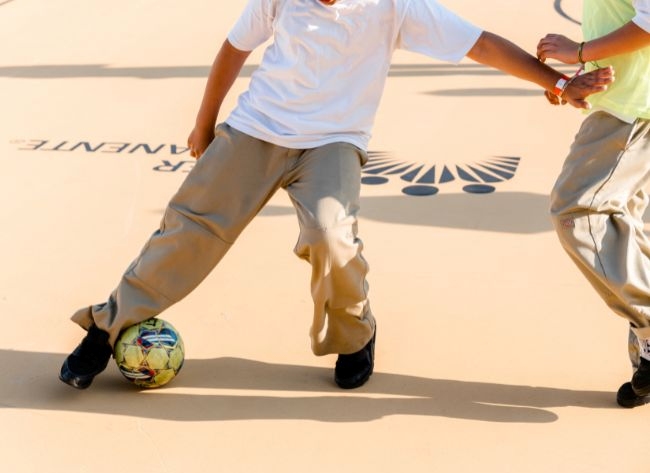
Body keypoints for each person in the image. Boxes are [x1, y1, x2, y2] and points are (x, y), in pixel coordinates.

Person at [59, 0, 612, 390]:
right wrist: (204, 124)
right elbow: (233, 49)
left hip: (333, 140)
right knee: (190, 229)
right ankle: (107, 329)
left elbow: (482, 44)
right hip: (256, 128)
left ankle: (354, 335)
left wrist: (558, 84)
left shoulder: (395, 6)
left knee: (331, 237)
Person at [537, 0, 650, 407]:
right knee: (629, 227)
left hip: (631, 112)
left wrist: (580, 51)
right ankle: (646, 356)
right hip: (630, 104)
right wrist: (576, 79)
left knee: (576, 210)